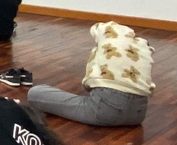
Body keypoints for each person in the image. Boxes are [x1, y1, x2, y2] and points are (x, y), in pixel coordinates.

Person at [25, 21, 154, 127]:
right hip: (138, 114)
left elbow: (88, 83)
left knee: (35, 93)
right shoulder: (141, 48)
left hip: (105, 112)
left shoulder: (103, 48)